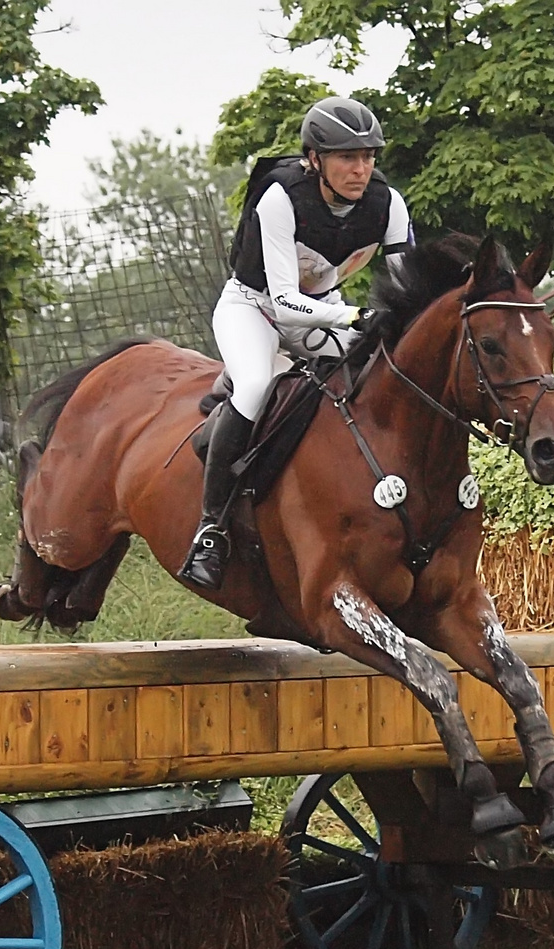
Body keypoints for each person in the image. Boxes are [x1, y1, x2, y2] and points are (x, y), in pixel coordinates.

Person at [179, 96, 414, 590]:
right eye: (347, 157)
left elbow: (407, 284)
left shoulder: (388, 203)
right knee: (257, 384)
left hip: (320, 309)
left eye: (368, 156)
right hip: (255, 308)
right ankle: (210, 530)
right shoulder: (281, 198)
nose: (361, 168)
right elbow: (284, 302)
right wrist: (355, 315)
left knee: (378, 374)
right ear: (314, 159)